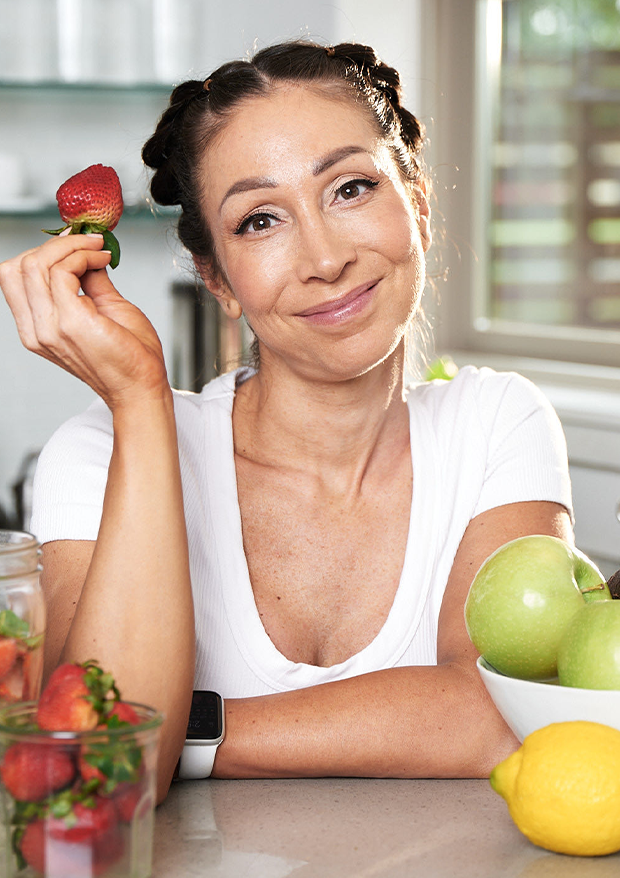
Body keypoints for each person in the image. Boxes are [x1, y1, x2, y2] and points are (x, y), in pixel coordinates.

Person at [0, 40, 573, 799]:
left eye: (350, 188)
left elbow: (501, 713)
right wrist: (140, 401)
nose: (325, 259)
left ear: (420, 206)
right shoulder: (101, 451)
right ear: (218, 278)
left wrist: (182, 729)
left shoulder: (497, 422)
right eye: (260, 220)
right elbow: (98, 770)